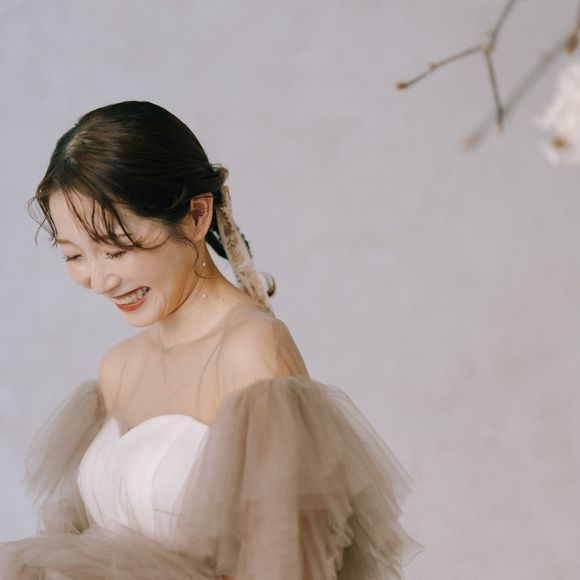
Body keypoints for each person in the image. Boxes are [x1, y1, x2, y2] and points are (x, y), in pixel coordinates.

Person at [0, 101, 424, 579]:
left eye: (116, 249)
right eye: (74, 256)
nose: (99, 281)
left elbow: (289, 563)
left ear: (196, 216)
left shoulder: (251, 350)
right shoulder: (116, 369)